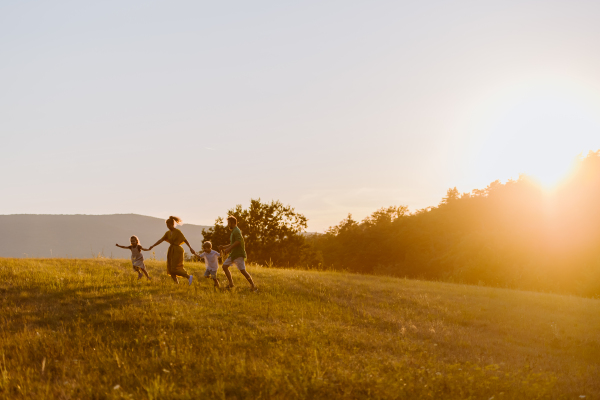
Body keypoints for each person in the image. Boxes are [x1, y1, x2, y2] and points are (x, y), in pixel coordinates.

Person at [148, 216, 195, 285]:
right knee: (170, 269)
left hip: (177, 250)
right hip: (171, 251)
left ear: (173, 224)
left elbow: (185, 240)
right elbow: (161, 240)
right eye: (167, 225)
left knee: (174, 269)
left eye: (169, 225)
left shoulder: (177, 232)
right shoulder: (167, 233)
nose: (168, 226)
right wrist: (153, 245)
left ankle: (188, 276)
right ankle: (176, 284)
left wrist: (190, 248)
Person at [218, 216, 256, 290]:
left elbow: (238, 242)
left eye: (228, 223)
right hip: (233, 254)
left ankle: (253, 285)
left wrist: (229, 249)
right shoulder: (233, 231)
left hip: (238, 254)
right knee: (224, 266)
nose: (228, 224)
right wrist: (224, 247)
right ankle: (231, 283)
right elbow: (232, 243)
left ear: (232, 223)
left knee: (242, 271)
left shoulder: (236, 231)